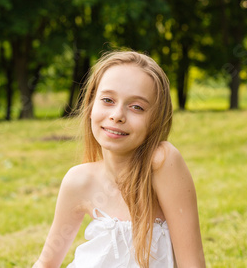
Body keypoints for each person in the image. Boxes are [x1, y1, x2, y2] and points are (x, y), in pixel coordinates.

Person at [33, 50, 205, 268]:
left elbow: (192, 264)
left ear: (156, 120)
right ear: (90, 105)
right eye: (107, 100)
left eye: (136, 107)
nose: (117, 115)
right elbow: (46, 263)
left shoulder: (162, 162)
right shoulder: (79, 180)